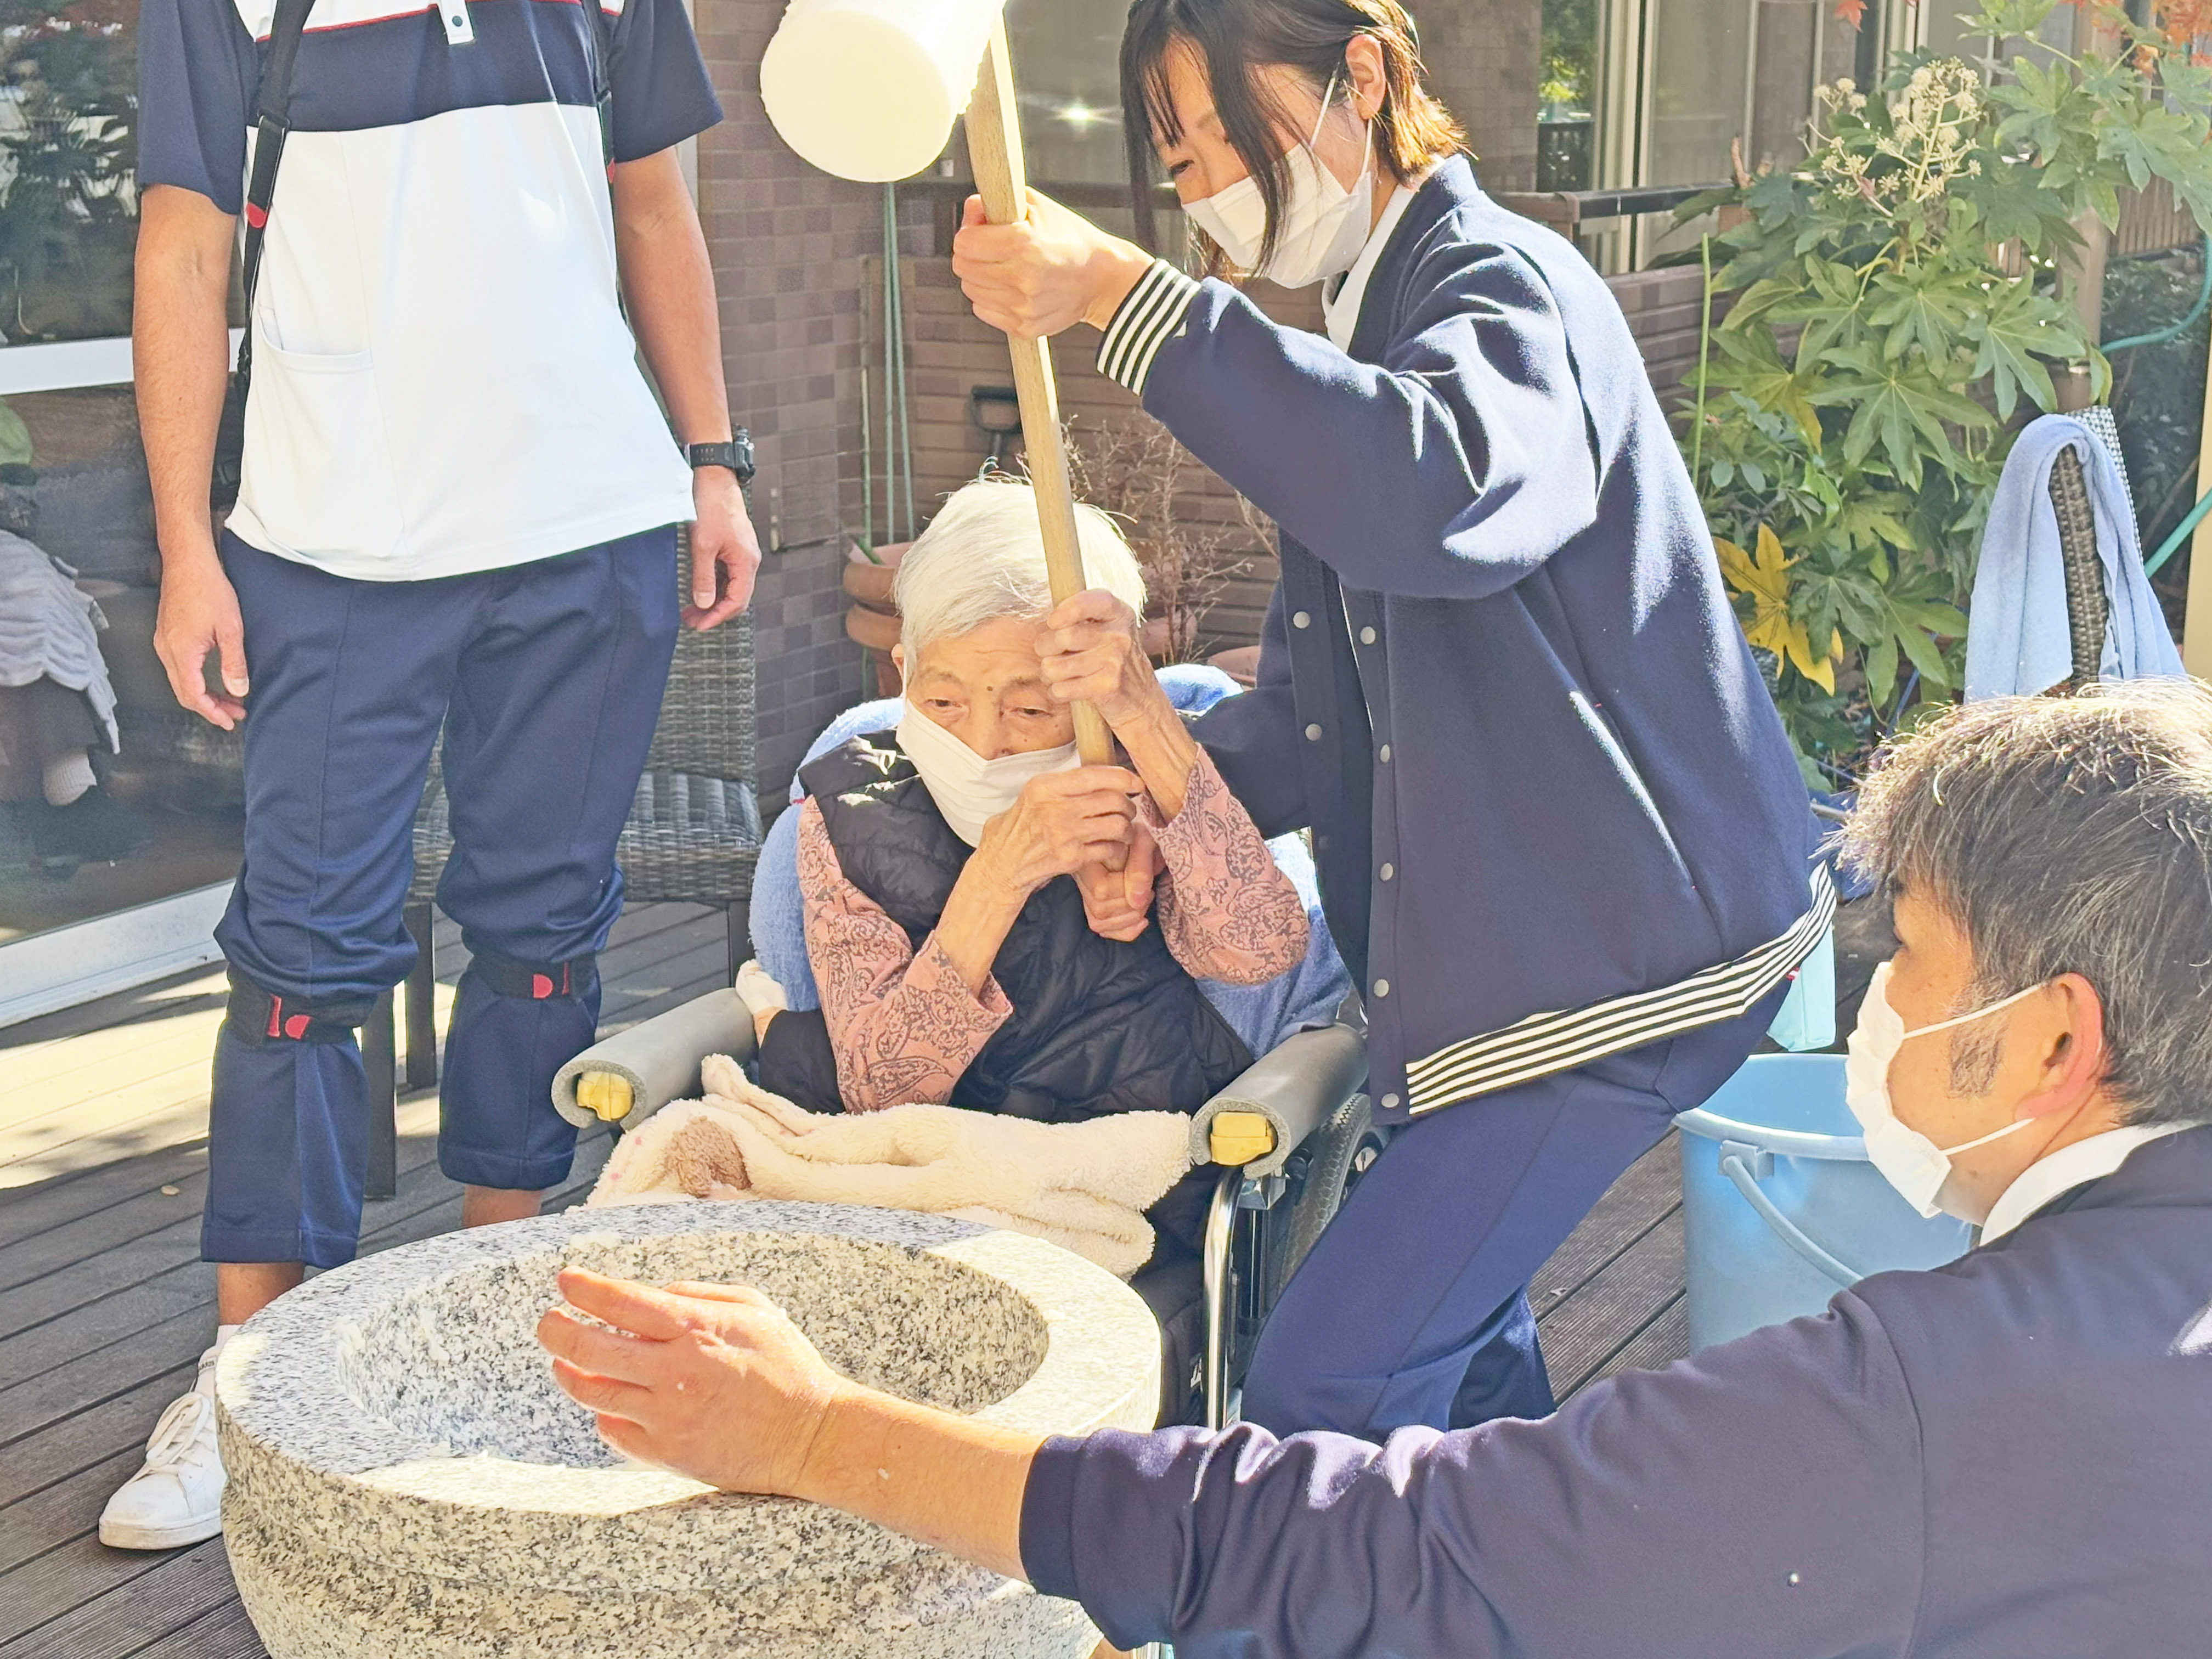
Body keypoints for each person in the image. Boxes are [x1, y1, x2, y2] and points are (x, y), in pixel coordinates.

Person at [544, 682, 2212, 1659]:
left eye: (1907, 950)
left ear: (2056, 1043)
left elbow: (1402, 1546)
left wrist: (823, 1431)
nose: (1879, 1000)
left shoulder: (1919, 1408)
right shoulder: (843, 809)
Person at [957, 0, 1825, 1437]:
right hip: (1552, 965)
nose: (1208, 194)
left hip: (1611, 974)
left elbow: (1431, 493)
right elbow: (1311, 730)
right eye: (1178, 170)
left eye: (1224, 138)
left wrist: (1122, 295)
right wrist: (1138, 769)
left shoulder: (1504, 285)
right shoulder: (1373, 340)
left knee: (1327, 1383)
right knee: (1454, 1379)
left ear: (1362, 72)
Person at [99, 0, 758, 1550]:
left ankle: (500, 1322)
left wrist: (715, 462)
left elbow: (653, 200)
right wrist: (188, 549)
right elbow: (184, 254)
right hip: (333, 547)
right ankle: (256, 1383)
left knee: (542, 940)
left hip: (589, 530)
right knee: (302, 961)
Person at [748, 477, 1315, 1255]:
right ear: (903, 668)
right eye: (943, 703)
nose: (982, 744)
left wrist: (1146, 727)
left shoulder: (1157, 784)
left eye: (1029, 710)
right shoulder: (845, 817)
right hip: (923, 1206)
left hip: (1134, 1203)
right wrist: (996, 879)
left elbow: (1264, 953)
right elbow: (881, 1094)